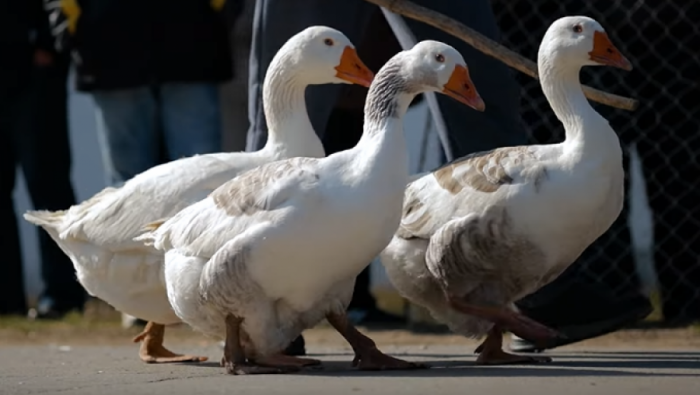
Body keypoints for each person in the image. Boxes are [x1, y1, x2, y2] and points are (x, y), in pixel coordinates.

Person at [248, 0, 656, 356]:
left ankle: (533, 302)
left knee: (477, 79)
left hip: (487, 219)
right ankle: (256, 305)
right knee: (288, 97)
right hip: (422, 229)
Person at [501, 0, 698, 352]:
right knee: (585, 174)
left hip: (674, 29)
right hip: (551, 22)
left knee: (682, 176)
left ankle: (687, 300)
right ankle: (587, 293)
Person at [0, 0, 86, 318]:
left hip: (34, 72)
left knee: (47, 186)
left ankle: (62, 295)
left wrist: (50, 46)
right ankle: (6, 301)